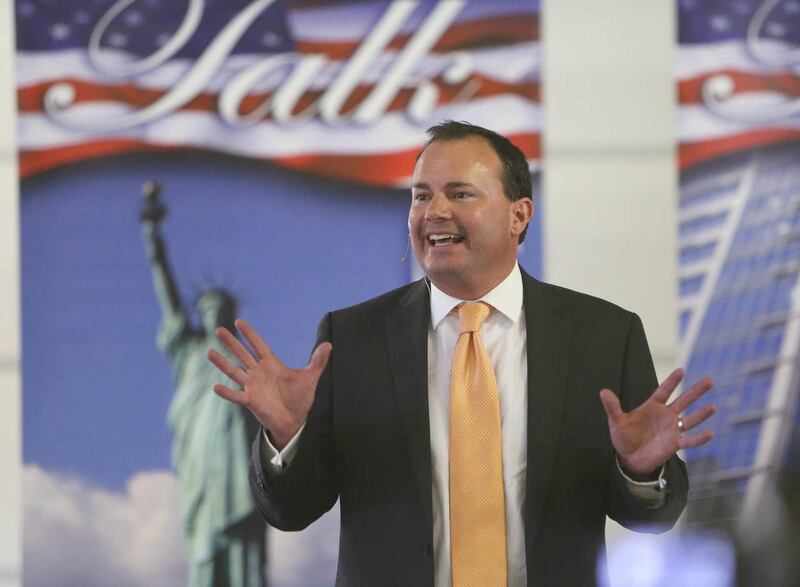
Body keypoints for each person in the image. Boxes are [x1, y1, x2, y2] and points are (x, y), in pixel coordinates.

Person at [206, 121, 716, 587]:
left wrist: (641, 472)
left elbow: (653, 515)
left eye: (460, 193)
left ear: (520, 215)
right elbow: (292, 510)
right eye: (420, 195)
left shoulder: (604, 334)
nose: (435, 212)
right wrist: (287, 439)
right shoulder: (351, 336)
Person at [140, 183, 267, 587]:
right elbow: (167, 295)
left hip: (238, 457)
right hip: (199, 456)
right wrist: (152, 239)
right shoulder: (189, 350)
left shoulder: (249, 359)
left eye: (221, 309)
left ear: (232, 315)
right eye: (207, 309)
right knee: (204, 542)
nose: (213, 315)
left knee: (242, 543)